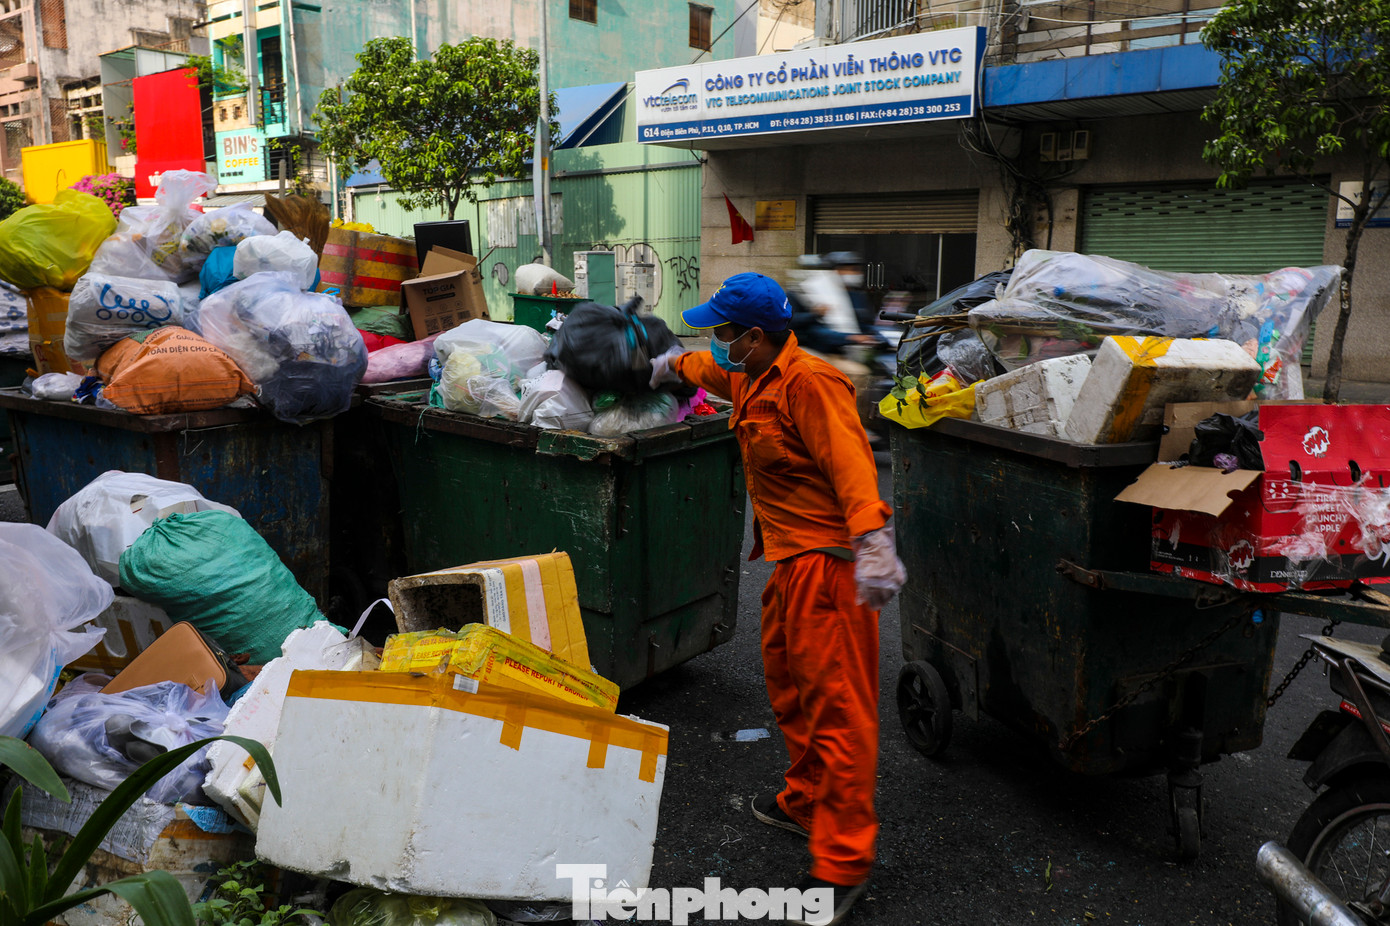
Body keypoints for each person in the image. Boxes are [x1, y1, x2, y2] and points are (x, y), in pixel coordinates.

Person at [650, 272, 906, 926]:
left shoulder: (810, 385)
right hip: (788, 566)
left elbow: (852, 466)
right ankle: (808, 800)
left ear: (755, 337)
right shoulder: (753, 376)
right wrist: (669, 365)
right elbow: (707, 367)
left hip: (830, 568)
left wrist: (874, 541)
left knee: (838, 708)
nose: (718, 341)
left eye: (724, 331)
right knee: (789, 685)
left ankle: (843, 863)